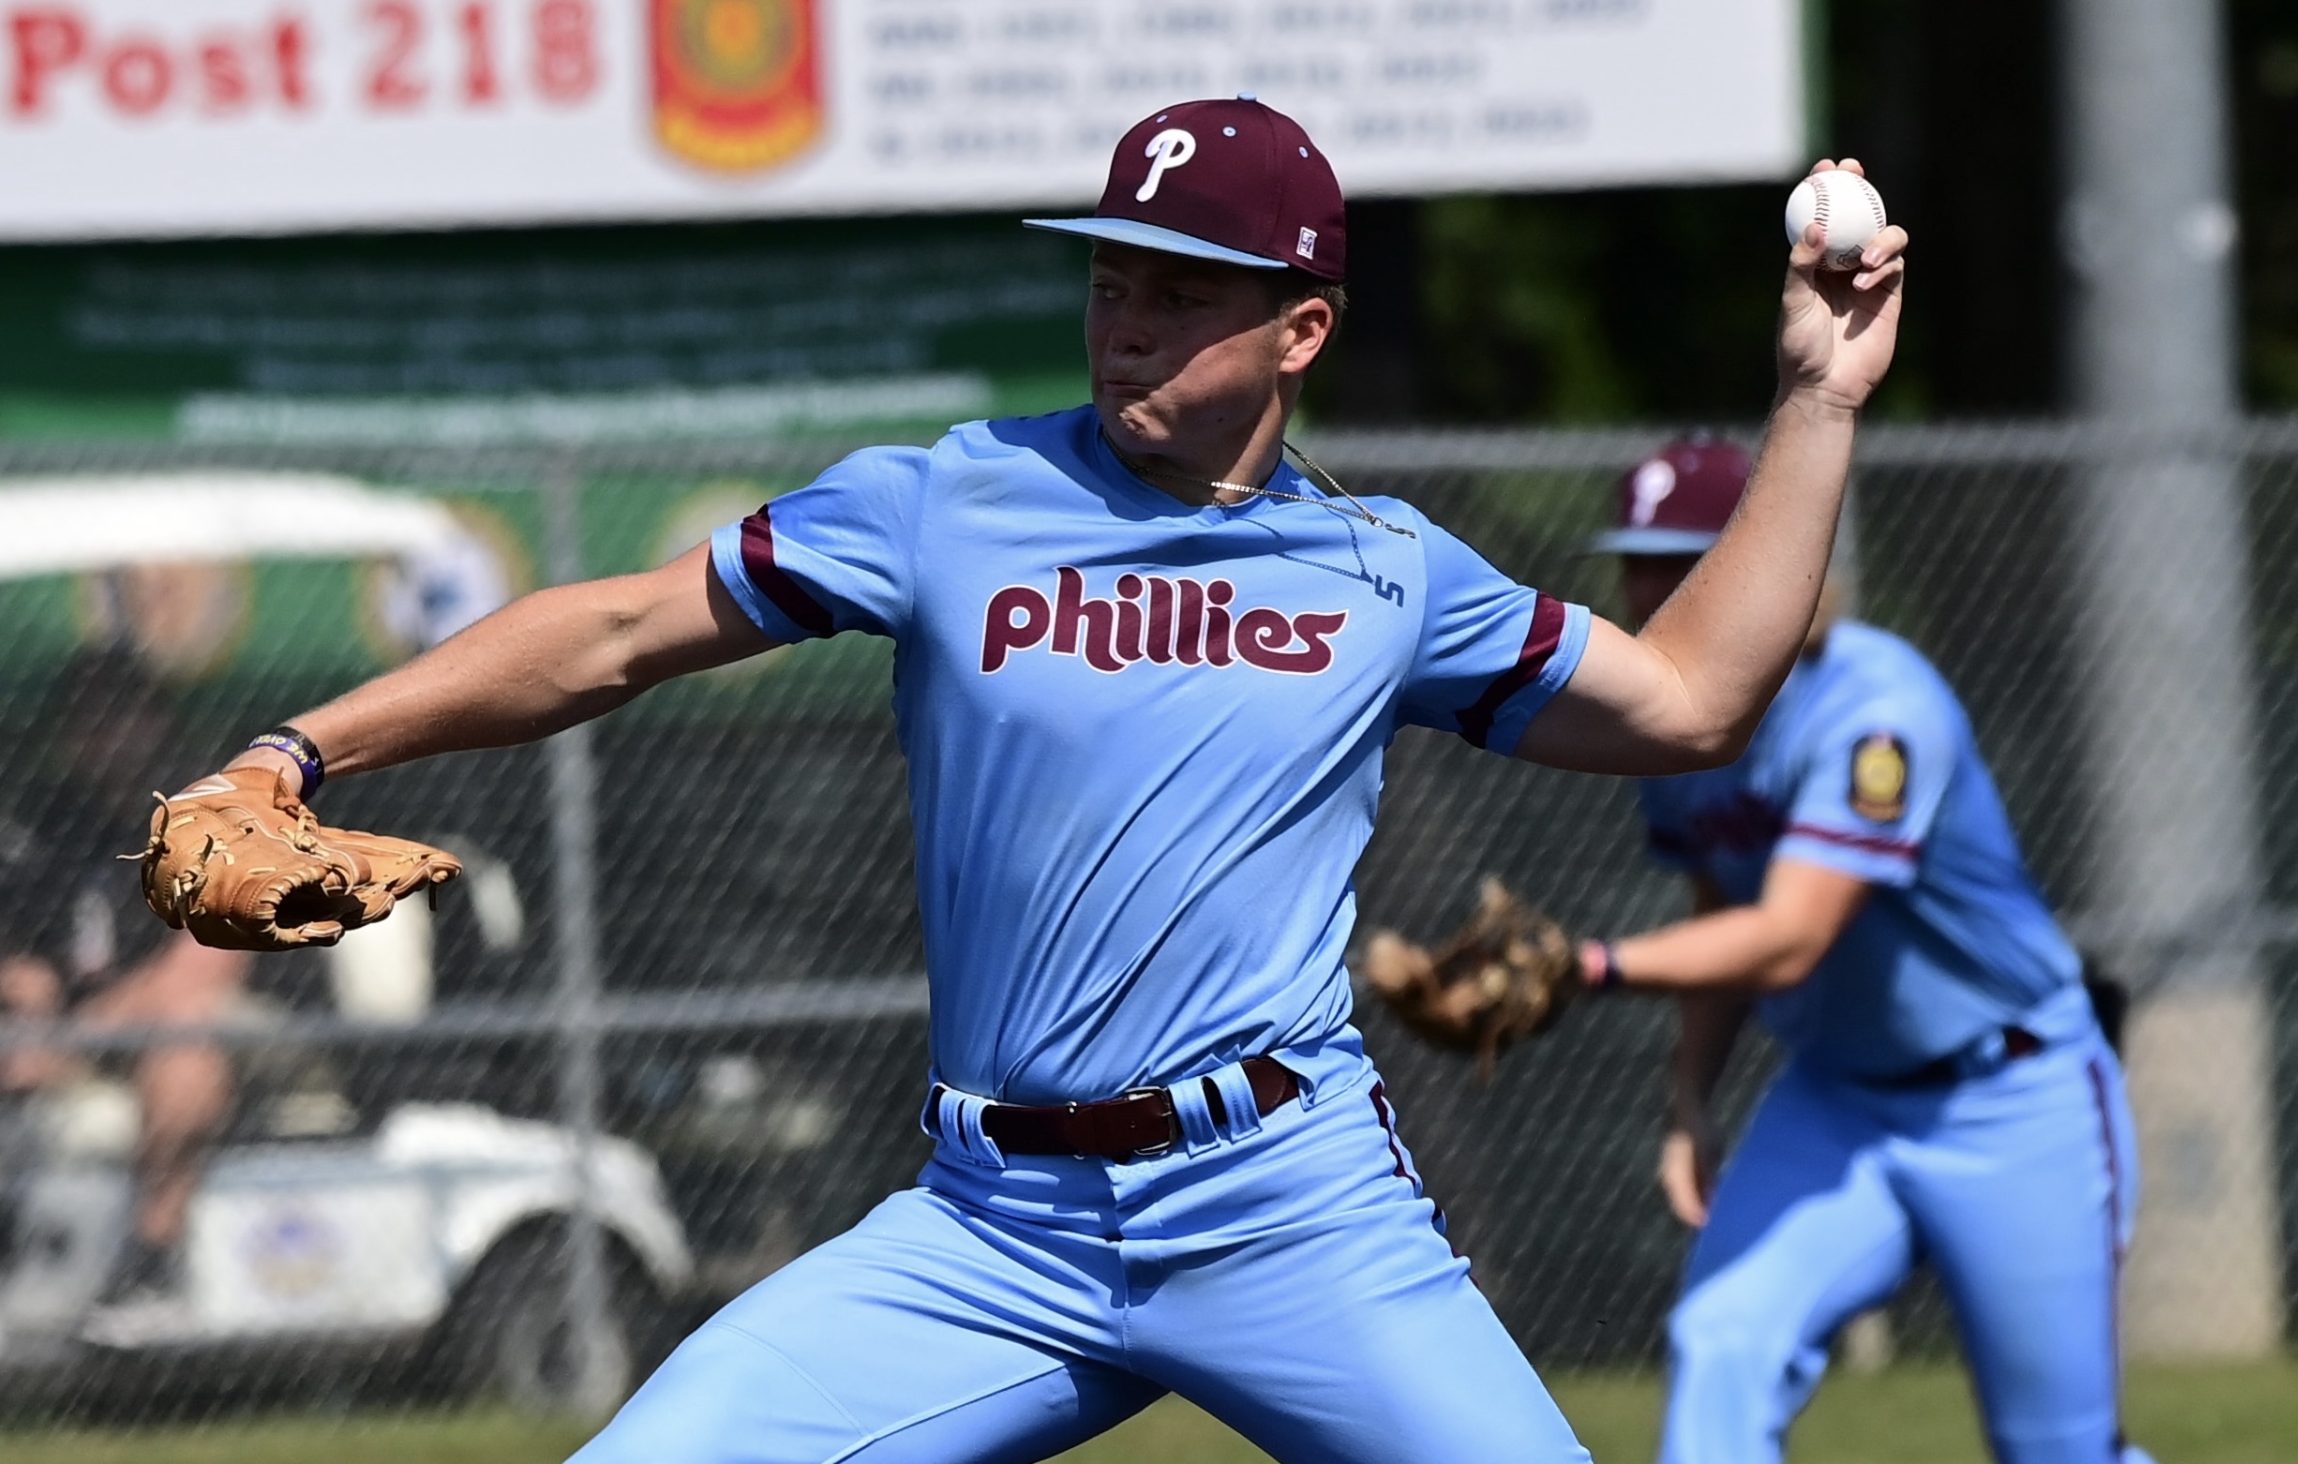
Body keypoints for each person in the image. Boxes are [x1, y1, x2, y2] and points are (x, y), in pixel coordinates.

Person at [158, 99, 1906, 1461]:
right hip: (993, 1223)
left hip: (1284, 1197)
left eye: (1181, 290)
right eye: (1109, 276)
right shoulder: (946, 498)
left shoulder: (1391, 569)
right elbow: (615, 627)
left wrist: (1815, 401)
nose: (1126, 321)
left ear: (1301, 330)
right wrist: (293, 746)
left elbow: (1689, 698)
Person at [1572, 437, 2151, 1464]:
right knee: (1721, 1343)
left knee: (2056, 1450)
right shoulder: (1671, 721)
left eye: (1686, 559)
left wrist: (1588, 968)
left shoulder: (1876, 712)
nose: (1653, 584)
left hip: (2011, 1096)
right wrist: (1688, 1096)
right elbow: (1719, 906)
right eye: (1639, 558)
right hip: (1837, 1101)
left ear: (1767, 557)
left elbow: (1789, 939)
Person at [0, 648, 256, 1336]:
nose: (103, 734)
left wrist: (67, 1044)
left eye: (120, 714)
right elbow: (25, 962)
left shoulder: (213, 817)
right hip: (87, 1033)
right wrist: (28, 1016)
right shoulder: (51, 825)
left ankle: (151, 1263)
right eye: (84, 719)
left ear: (157, 722)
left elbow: (202, 971)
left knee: (184, 1033)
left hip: (245, 1023)